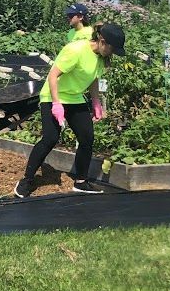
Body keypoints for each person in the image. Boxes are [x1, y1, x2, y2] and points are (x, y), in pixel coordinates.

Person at [15, 22, 126, 197]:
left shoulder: (100, 57)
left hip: (74, 98)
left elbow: (93, 79)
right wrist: (57, 104)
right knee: (51, 138)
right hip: (53, 96)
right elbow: (53, 75)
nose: (112, 53)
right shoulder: (76, 50)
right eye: (112, 48)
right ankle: (26, 180)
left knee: (87, 137)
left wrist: (96, 102)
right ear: (102, 41)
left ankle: (81, 182)